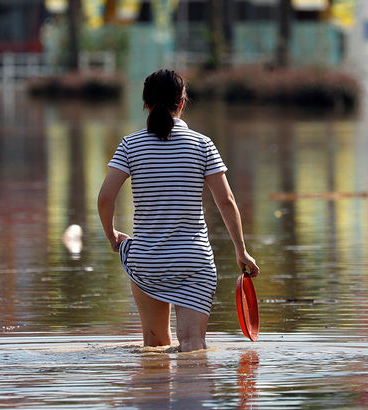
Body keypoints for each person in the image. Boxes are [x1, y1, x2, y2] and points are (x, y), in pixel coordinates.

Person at [97, 69, 259, 352]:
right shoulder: (202, 145)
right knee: (193, 346)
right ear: (182, 103)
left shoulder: (130, 146)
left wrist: (112, 237)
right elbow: (226, 201)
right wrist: (240, 250)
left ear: (145, 104)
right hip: (193, 261)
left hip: (147, 260)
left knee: (155, 347)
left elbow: (105, 198)